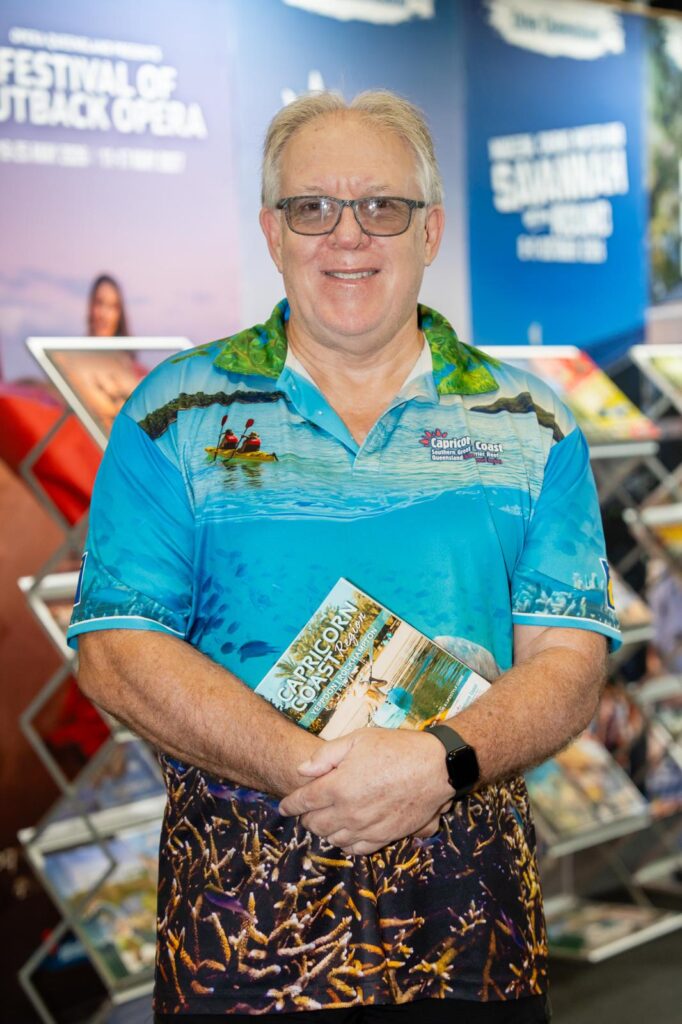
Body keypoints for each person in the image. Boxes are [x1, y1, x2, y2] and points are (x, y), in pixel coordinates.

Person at [68, 91, 620, 1022]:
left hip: (469, 928)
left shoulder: (532, 422)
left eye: (383, 207)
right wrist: (312, 771)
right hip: (239, 930)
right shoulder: (174, 411)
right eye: (312, 208)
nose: (347, 236)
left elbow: (568, 666)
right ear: (272, 231)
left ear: (433, 227)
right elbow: (116, 652)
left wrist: (433, 765)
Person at [87, 273, 130, 337]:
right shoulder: (75, 346)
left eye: (111, 306)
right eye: (99, 303)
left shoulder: (130, 346)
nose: (103, 314)